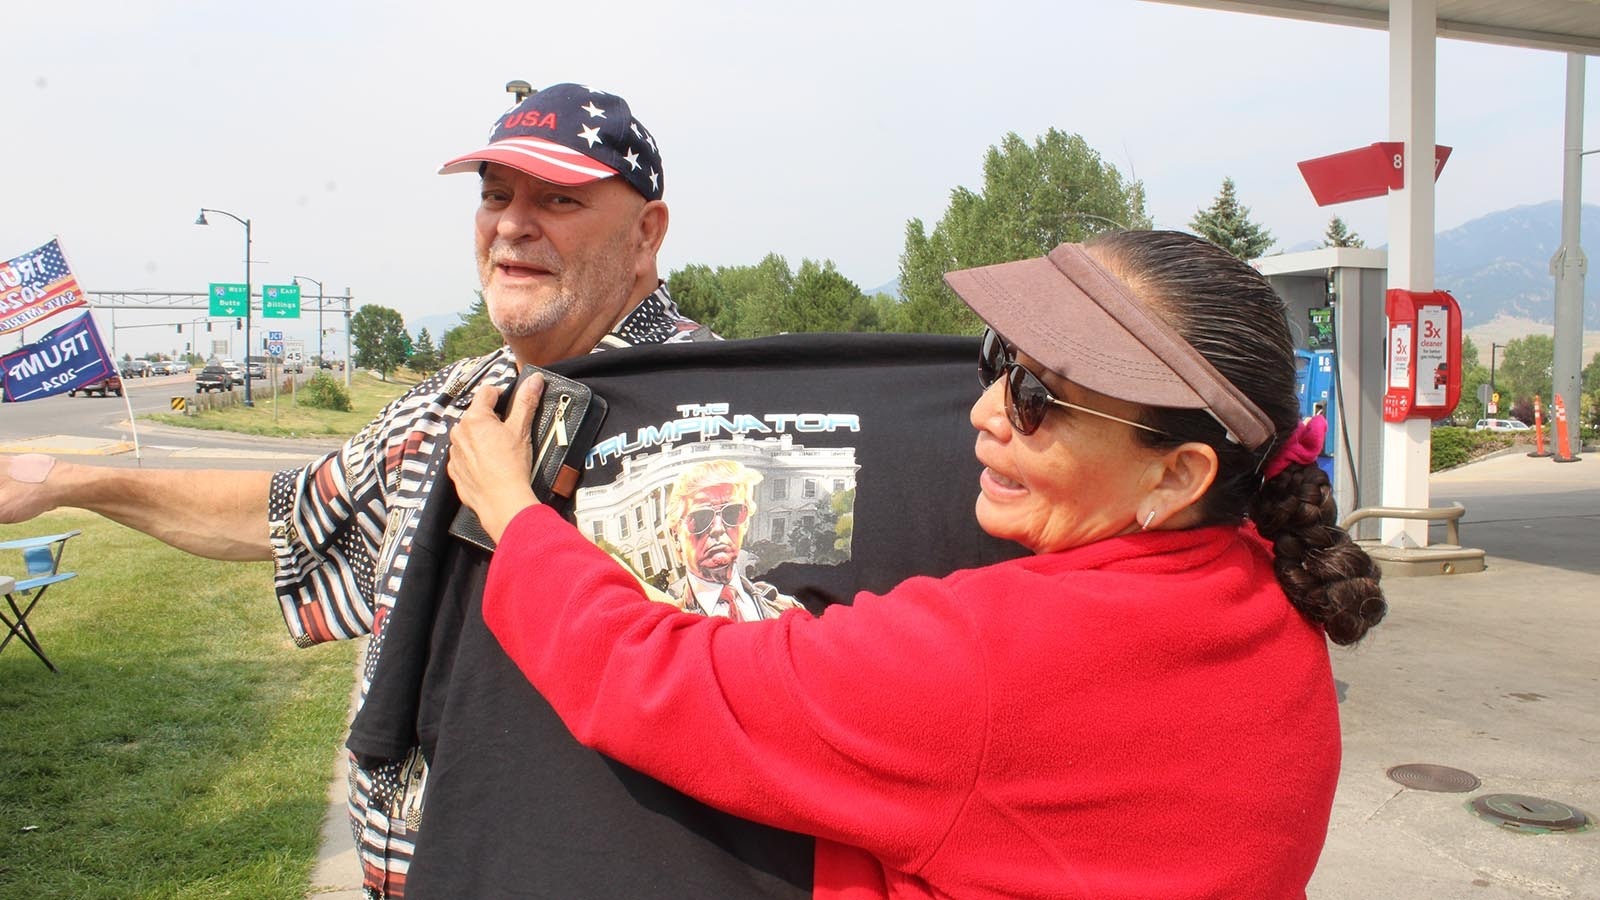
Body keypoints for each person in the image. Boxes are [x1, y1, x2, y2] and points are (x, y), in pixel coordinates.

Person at [449, 229, 1389, 899]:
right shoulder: (1271, 593)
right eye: (997, 362)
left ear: (1178, 473)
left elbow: (655, 679)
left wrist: (515, 516)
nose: (984, 413)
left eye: (1037, 400)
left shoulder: (997, 657)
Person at [0, 82, 733, 899]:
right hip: (417, 868)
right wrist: (66, 481)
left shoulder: (716, 419)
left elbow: (730, 704)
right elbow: (291, 513)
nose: (512, 224)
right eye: (495, 195)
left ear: (647, 233)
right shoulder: (455, 399)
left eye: (559, 198)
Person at [664, 459, 799, 619]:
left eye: (732, 513)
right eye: (701, 517)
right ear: (676, 537)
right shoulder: (667, 623)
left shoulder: (787, 609)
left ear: (746, 523)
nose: (718, 528)